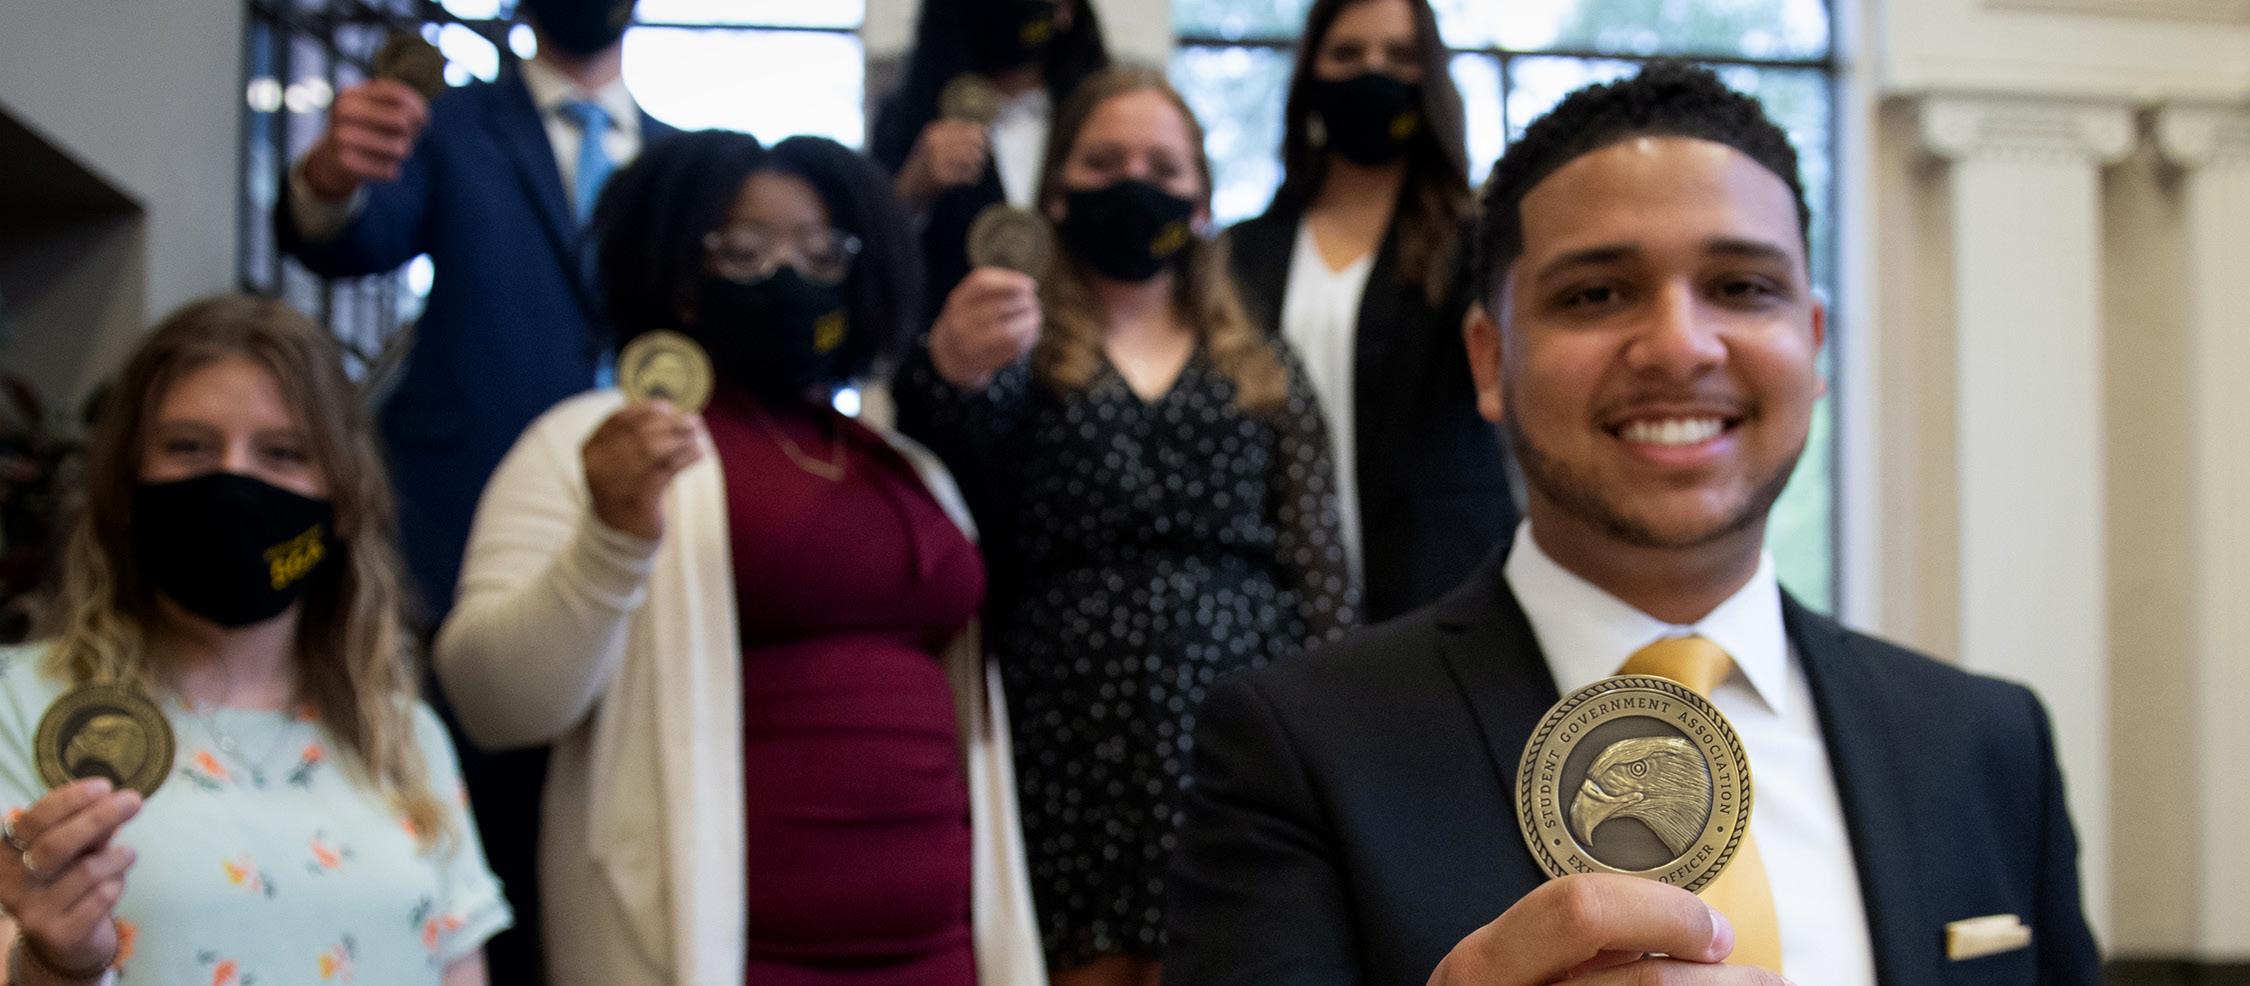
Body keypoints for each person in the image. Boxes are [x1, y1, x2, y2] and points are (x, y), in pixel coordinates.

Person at [1163, 63, 2102, 986]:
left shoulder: (1986, 742)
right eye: (1595, 295)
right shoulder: (1301, 748)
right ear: (1489, 361)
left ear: (1813, 344)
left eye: (1743, 287)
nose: (1679, 346)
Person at [431, 130, 1044, 986]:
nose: (787, 278)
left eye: (822, 256)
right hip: (720, 954)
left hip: (937, 951)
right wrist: (610, 541)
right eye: (745, 252)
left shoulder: (905, 464)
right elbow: (494, 702)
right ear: (680, 273)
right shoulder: (591, 443)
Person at [901, 66, 1360, 986]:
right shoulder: (1010, 345)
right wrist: (948, 372)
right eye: (1104, 163)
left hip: (1241, 713)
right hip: (1064, 723)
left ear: (1201, 201)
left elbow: (1318, 562)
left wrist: (1340, 725)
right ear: (1056, 193)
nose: (1134, 183)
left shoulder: (1263, 360)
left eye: (1162, 166)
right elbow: (945, 492)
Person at [278, 4, 673, 978]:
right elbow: (354, 238)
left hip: (643, 535)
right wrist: (329, 181)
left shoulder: (680, 159)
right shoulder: (449, 125)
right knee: (472, 804)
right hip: (460, 524)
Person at [0, 294, 509, 985]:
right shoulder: (21, 703)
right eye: (188, 447)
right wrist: (57, 963)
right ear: (127, 483)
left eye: (282, 453)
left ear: (342, 499)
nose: (234, 479)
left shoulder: (405, 736)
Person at [1222, 0, 1518, 622]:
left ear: (1430, 78)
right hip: (1279, 605)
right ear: (1311, 74)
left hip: (1446, 596)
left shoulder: (1476, 244)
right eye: (1347, 54)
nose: (1372, 72)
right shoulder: (1242, 254)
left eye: (1400, 55)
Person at [870, 0, 1111, 314]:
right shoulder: (906, 118)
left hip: (1082, 323)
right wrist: (914, 189)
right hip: (947, 322)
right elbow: (870, 261)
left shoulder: (1104, 115)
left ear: (1067, 10)